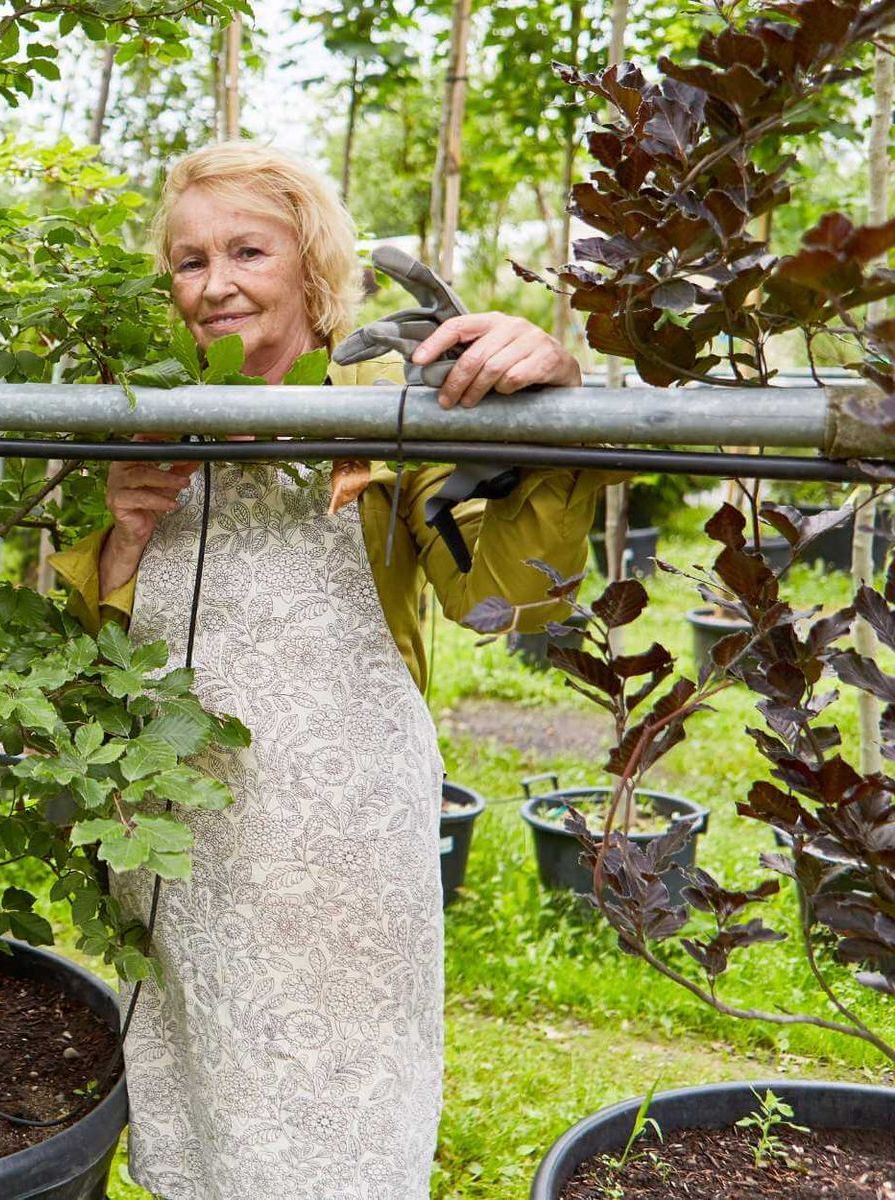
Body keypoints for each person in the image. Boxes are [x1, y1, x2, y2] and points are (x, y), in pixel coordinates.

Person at [49, 142, 620, 1199]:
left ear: (312, 264)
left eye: (246, 251)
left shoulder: (385, 405)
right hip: (183, 831)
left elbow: (511, 595)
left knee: (340, 1101)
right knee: (208, 1084)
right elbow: (77, 651)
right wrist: (121, 538)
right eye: (187, 262)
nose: (213, 284)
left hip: (339, 831)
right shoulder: (144, 417)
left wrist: (557, 426)